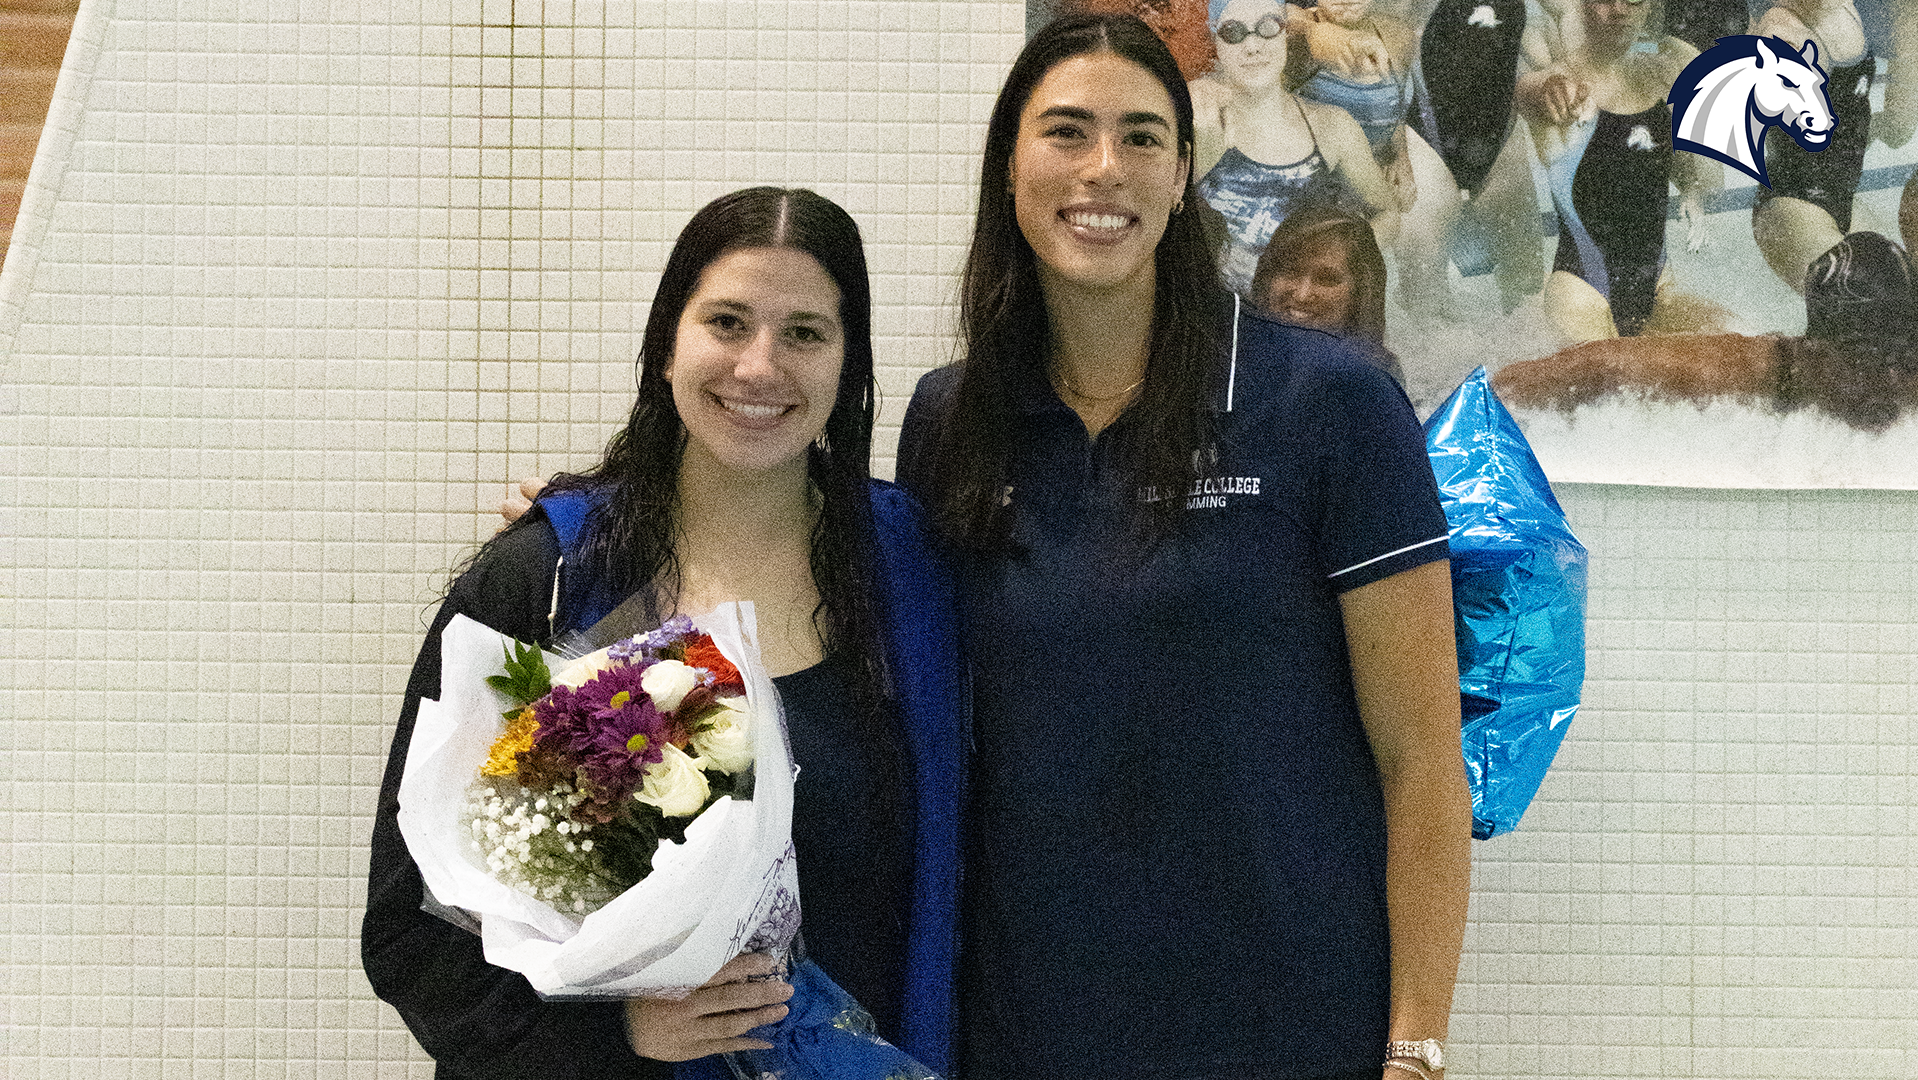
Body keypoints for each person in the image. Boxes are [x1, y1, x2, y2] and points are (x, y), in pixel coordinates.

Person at [899, 13, 1470, 1080]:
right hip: (1033, 1027)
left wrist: (1415, 1046)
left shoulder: (1328, 402)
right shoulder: (954, 419)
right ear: (1009, 167)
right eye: (1065, 132)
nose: (1102, 169)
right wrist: (603, 519)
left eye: (1141, 137)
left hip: (1289, 1026)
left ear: (1183, 172)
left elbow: (1422, 758)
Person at [363, 187, 963, 1080]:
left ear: (849, 363)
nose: (760, 367)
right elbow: (413, 927)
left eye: (805, 333)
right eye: (727, 322)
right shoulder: (556, 583)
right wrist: (616, 1038)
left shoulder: (912, 574)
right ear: (667, 342)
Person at [1491, 230, 1918, 431]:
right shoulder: (1748, 371)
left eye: (1898, 359)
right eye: (1867, 360)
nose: (1886, 377)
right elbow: (1601, 364)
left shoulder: (1901, 376)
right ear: (1819, 346)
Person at [1517, 0, 1714, 341]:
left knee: (1727, 346)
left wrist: (1691, 192)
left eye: (1633, 1)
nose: (1621, 10)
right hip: (1581, 292)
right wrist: (1548, 91)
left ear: (1649, 7)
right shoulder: (1558, 83)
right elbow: (1527, 91)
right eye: (1607, 0)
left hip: (1657, 285)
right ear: (1582, 6)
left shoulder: (1660, 74)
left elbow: (1672, 152)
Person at [1191, 0, 1399, 293]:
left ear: (1285, 34)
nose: (1252, 46)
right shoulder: (1194, 112)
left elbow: (1388, 214)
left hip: (1296, 317)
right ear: (1216, 41)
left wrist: (1330, 264)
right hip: (1212, 317)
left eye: (1267, 27)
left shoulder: (1331, 127)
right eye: (1233, 32)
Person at [1749, 0, 1880, 292]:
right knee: (1865, 304)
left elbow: (1850, 114)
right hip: (1792, 203)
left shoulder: (1843, 8)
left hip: (1843, 195)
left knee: (1896, 299)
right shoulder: (1780, 31)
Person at [1248, 203, 1406, 382]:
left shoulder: (1377, 379)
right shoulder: (1229, 348)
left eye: (1326, 279)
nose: (1302, 294)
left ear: (1361, 293)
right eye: (1289, 272)